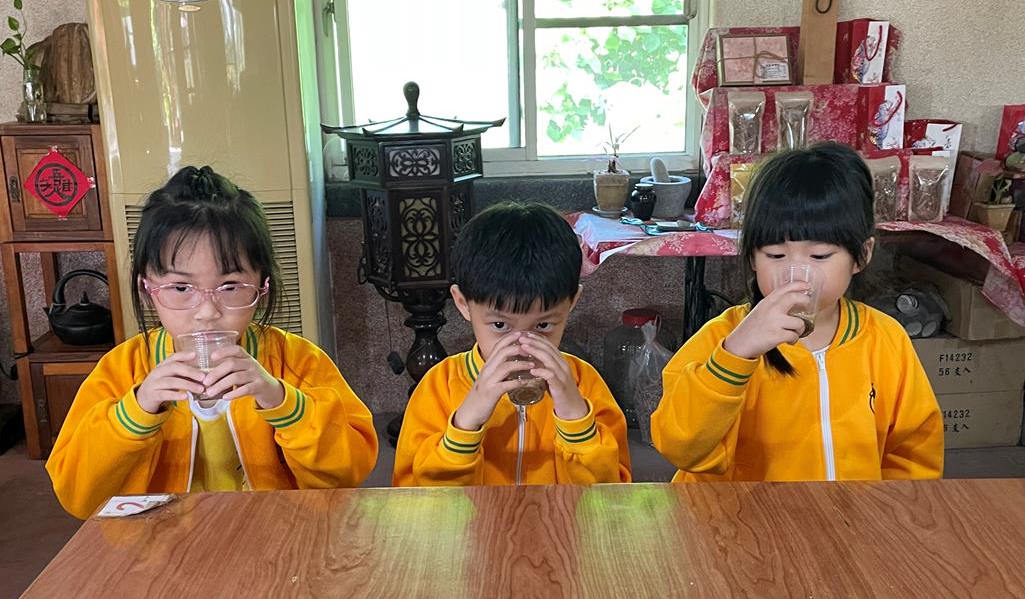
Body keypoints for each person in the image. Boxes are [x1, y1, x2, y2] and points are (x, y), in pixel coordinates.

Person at [47, 166, 378, 518]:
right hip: (162, 543)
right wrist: (137, 410)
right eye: (180, 287)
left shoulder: (297, 361)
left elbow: (348, 474)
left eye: (230, 286)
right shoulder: (122, 370)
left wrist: (281, 401)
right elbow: (78, 498)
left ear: (262, 286)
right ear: (147, 288)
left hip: (277, 535)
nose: (207, 312)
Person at [651, 143, 943, 481]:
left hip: (851, 513)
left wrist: (889, 507)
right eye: (776, 255)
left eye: (819, 256)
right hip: (743, 513)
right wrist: (735, 356)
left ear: (861, 256)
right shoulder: (723, 338)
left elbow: (914, 451)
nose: (796, 275)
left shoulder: (885, 339)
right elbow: (680, 447)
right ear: (751, 257)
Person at [393, 201, 631, 486]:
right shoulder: (439, 386)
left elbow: (611, 491)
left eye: (543, 326)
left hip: (561, 515)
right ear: (463, 304)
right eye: (500, 326)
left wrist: (575, 416)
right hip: (475, 516)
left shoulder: (584, 383)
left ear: (571, 304)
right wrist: (465, 424)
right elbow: (415, 496)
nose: (522, 345)